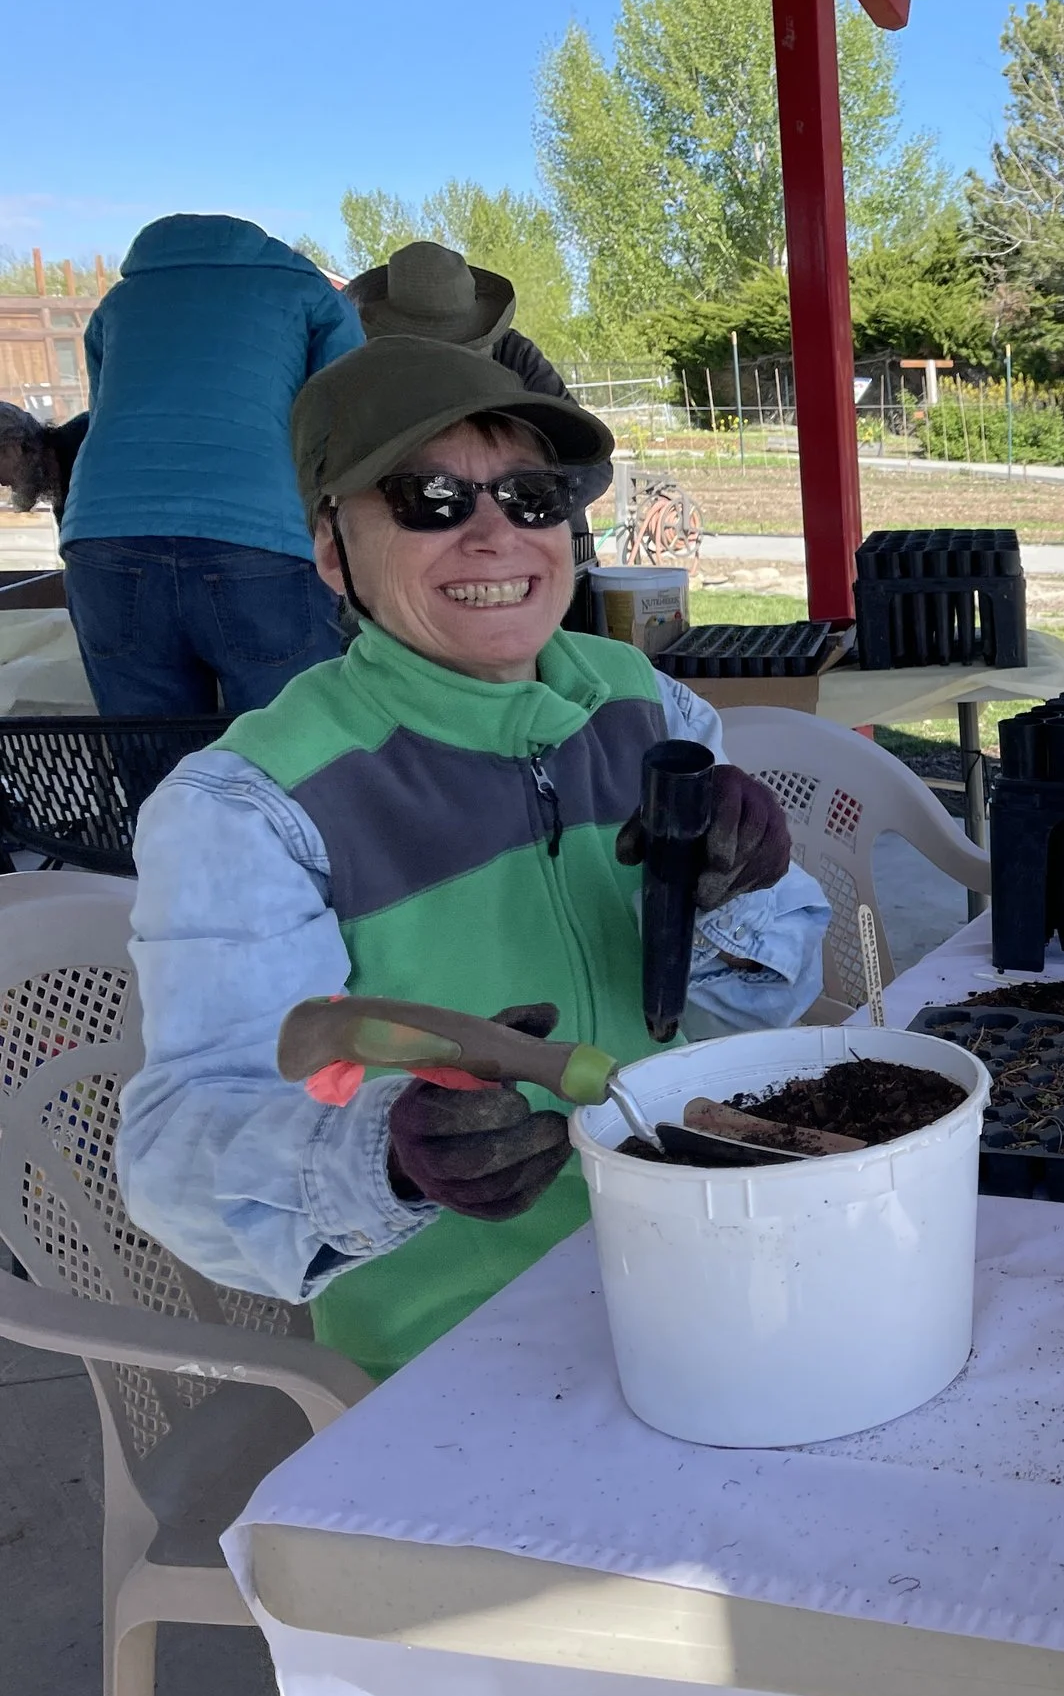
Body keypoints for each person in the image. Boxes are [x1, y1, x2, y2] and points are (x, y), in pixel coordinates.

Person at [119, 336, 833, 1381]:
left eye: (533, 497)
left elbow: (748, 1022)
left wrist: (738, 898)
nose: (497, 536)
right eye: (431, 499)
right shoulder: (254, 805)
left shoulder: (644, 704)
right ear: (331, 550)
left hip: (716, 1252)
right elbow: (177, 1149)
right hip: (468, 1343)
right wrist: (390, 1159)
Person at [57, 214, 365, 715]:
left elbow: (103, 413)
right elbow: (347, 418)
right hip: (259, 540)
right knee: (289, 750)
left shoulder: (121, 302)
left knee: (155, 767)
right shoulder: (305, 293)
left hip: (104, 540)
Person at [346, 241, 600, 580]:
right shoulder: (364, 378)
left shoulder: (515, 355)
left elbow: (593, 467)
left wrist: (519, 505)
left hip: (542, 555)